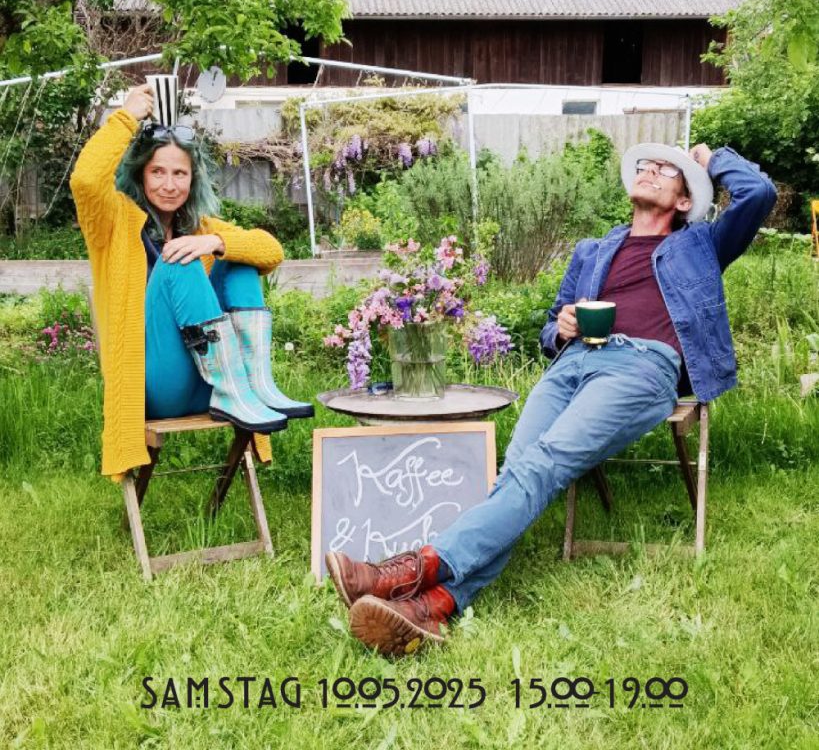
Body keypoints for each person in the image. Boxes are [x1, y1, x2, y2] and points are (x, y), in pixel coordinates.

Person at [325, 141, 777, 656]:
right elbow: (550, 326)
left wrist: (710, 159)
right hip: (572, 364)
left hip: (641, 367)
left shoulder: (702, 244)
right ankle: (433, 607)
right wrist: (560, 328)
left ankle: (404, 573)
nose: (651, 170)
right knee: (519, 472)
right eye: (646, 165)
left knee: (539, 466)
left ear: (684, 200)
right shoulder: (593, 250)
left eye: (667, 170)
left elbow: (758, 193)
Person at [69, 83, 312, 482]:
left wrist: (215, 242)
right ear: (140, 174)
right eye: (158, 172)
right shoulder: (113, 222)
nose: (169, 185)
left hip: (215, 385)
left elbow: (271, 250)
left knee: (238, 260)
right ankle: (239, 387)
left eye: (179, 173)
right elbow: (85, 181)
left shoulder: (198, 227)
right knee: (177, 260)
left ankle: (255, 383)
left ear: (192, 179)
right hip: (155, 387)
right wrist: (126, 117)